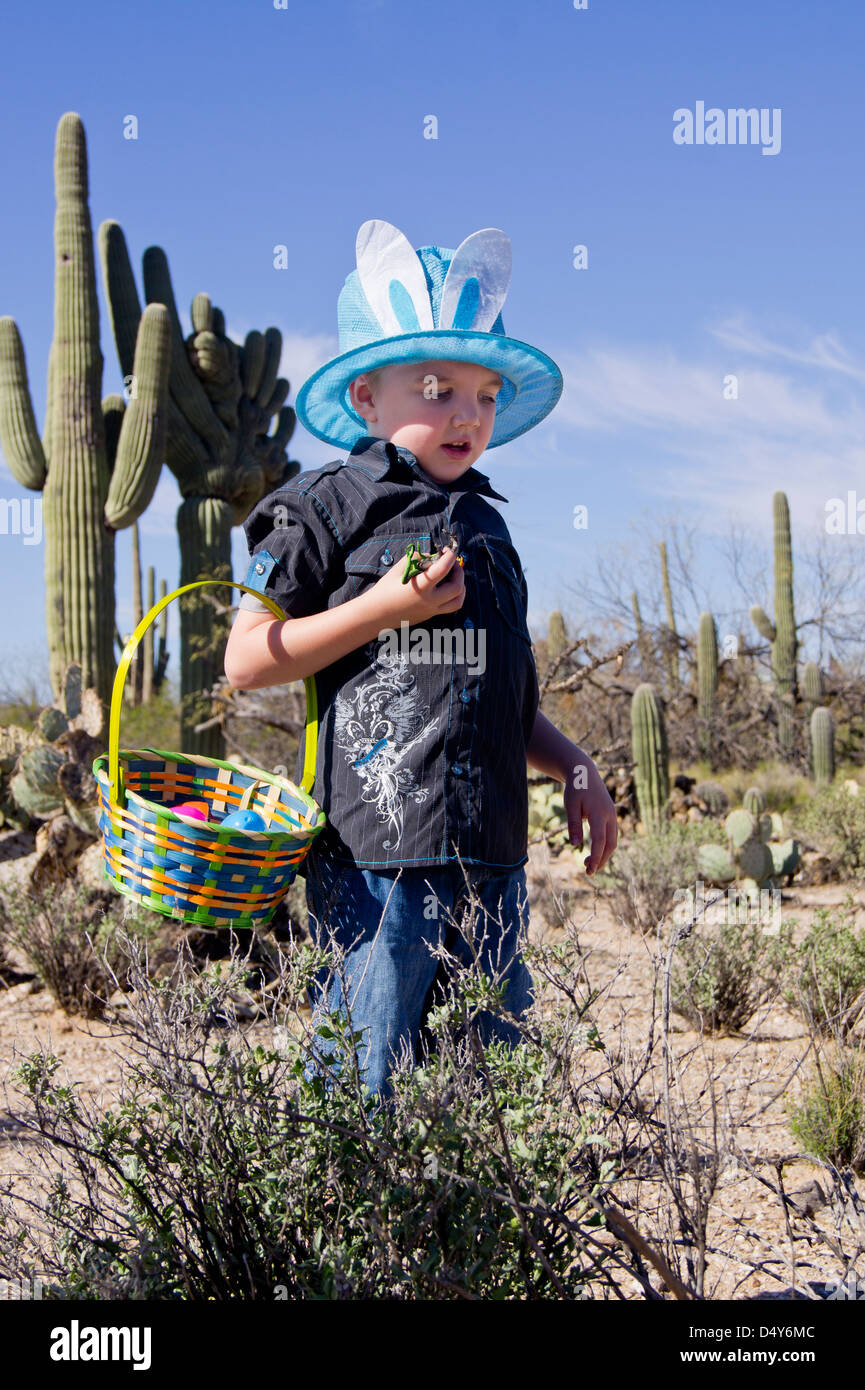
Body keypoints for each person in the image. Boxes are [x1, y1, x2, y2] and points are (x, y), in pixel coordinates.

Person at [224, 219, 618, 1098]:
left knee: (491, 1093)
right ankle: (345, 1228)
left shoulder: (490, 527)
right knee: (363, 1081)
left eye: (483, 394)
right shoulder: (323, 508)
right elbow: (247, 661)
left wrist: (571, 763)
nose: (466, 414)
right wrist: (382, 609)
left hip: (493, 857)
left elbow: (498, 699)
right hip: (376, 863)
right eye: (436, 388)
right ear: (366, 397)